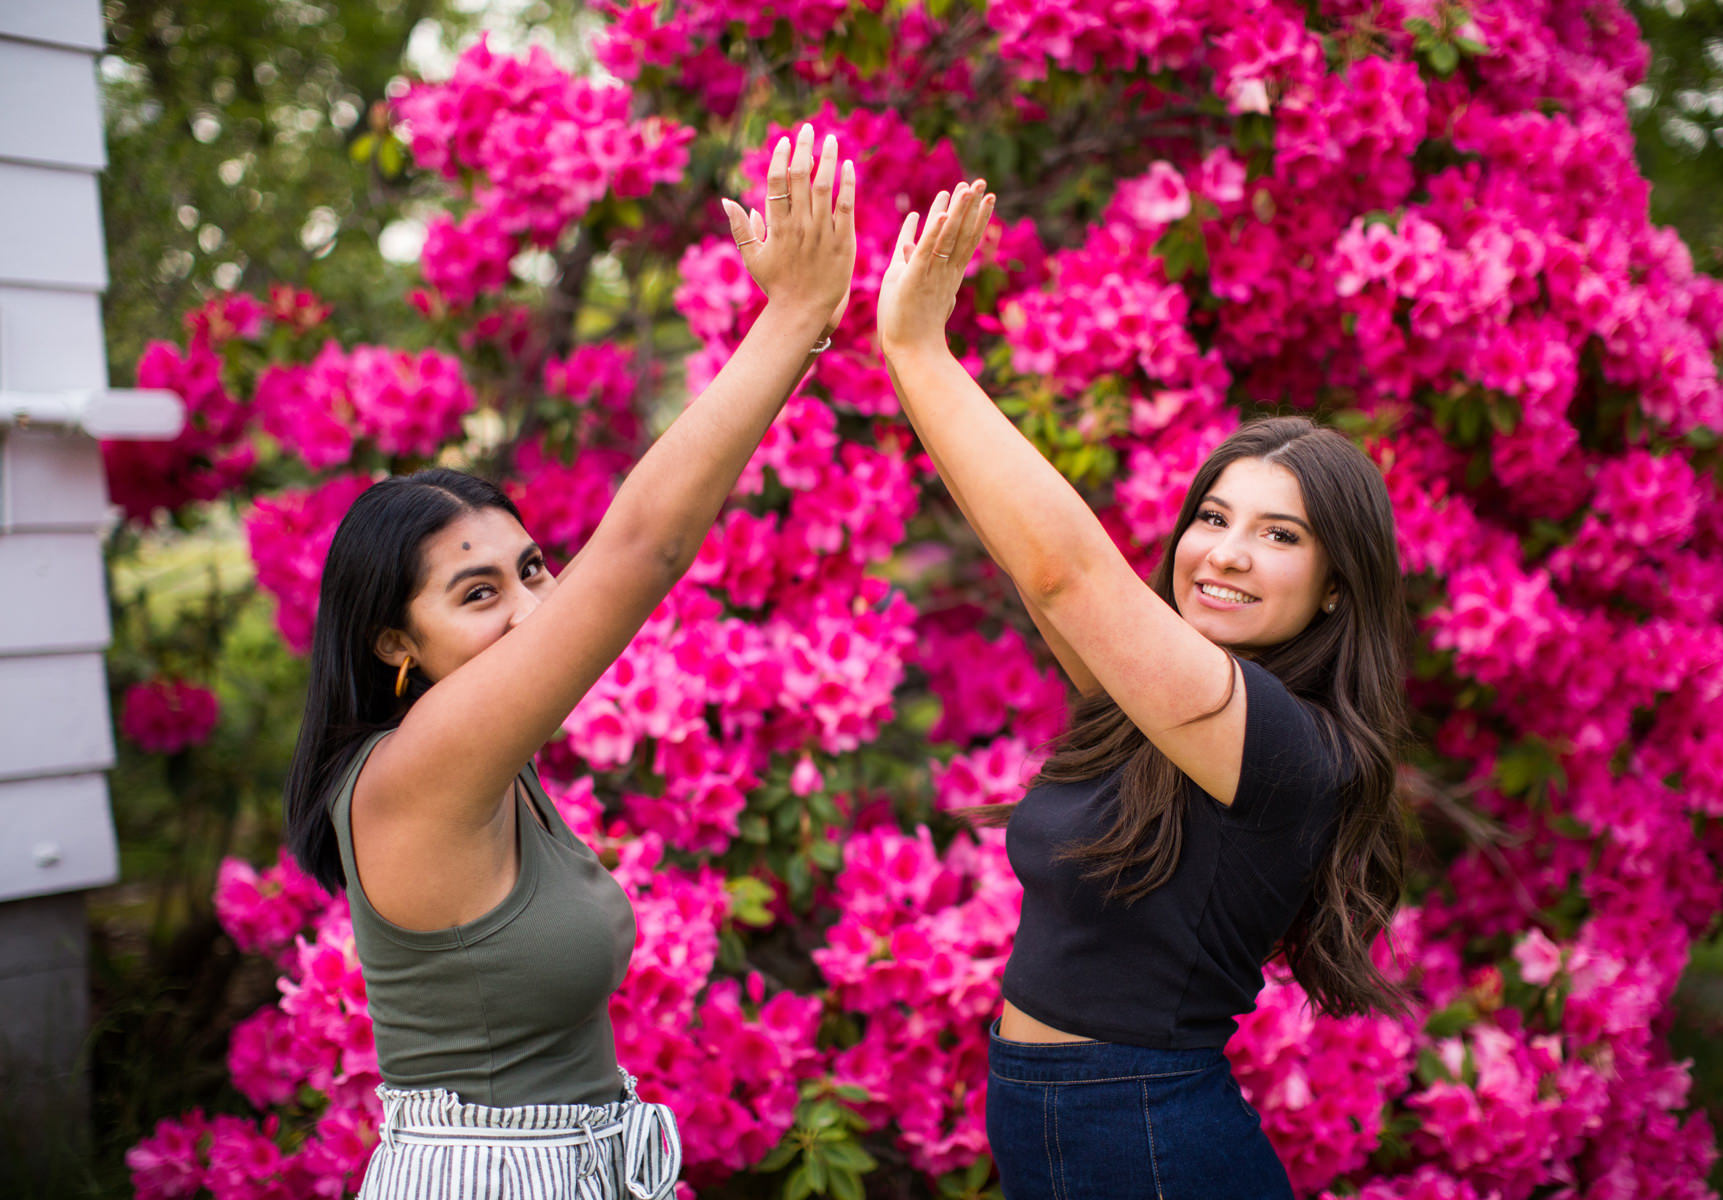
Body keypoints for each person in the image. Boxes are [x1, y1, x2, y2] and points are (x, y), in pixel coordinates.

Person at [282, 125, 855, 1200]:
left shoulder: (498, 763)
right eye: (477, 592)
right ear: (394, 645)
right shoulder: (420, 766)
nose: (532, 608)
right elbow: (644, 548)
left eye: (532, 568)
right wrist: (792, 318)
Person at [877, 183, 1411, 1199]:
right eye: (1213, 517)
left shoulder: (1286, 744)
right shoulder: (1159, 707)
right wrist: (901, 365)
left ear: (1339, 583)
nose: (1226, 555)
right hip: (1066, 1128)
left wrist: (921, 351)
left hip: (1150, 1144)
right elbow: (1028, 556)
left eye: (1280, 536)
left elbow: (1066, 573)